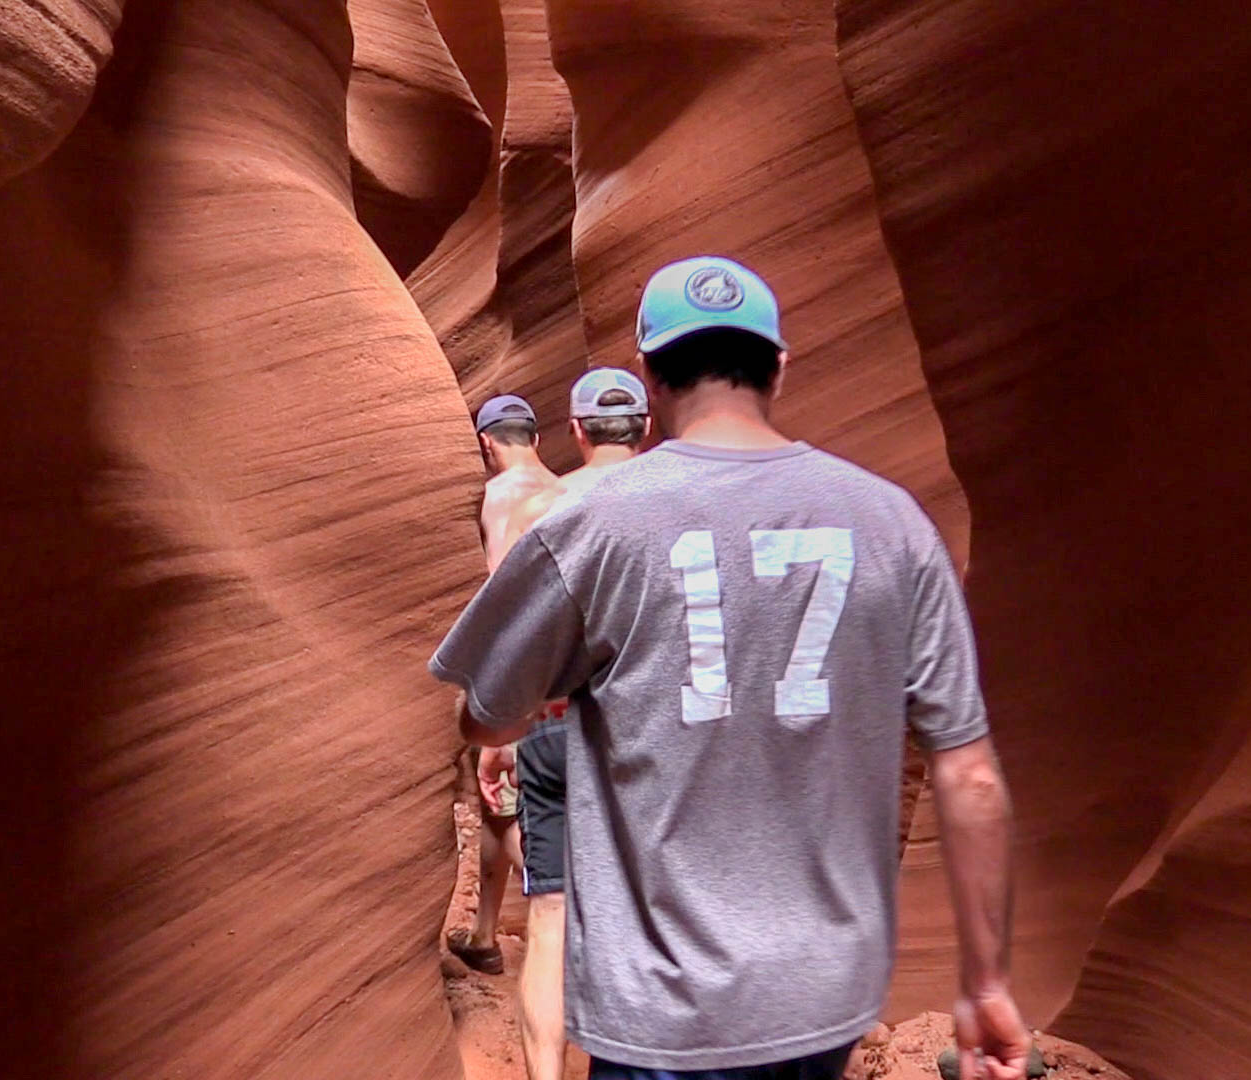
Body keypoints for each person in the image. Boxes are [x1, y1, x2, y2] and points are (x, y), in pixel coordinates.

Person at [429, 255, 1030, 1080]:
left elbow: (488, 714)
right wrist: (986, 981)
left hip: (660, 1003)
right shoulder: (893, 522)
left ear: (649, 374)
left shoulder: (592, 523)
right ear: (779, 367)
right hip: (823, 997)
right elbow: (971, 776)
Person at [477, 367, 654, 1080]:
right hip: (653, 730)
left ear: (576, 433)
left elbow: (507, 626)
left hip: (552, 718)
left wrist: (503, 735)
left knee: (548, 916)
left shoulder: (537, 506)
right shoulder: (680, 498)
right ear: (647, 427)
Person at [446, 394, 559, 975]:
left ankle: (571, 911)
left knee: (507, 803)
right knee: (499, 811)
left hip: (518, 682)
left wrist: (499, 720)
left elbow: (503, 609)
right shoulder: (572, 491)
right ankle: (485, 934)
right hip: (569, 684)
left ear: (486, 446)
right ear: (535, 440)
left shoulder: (498, 501)